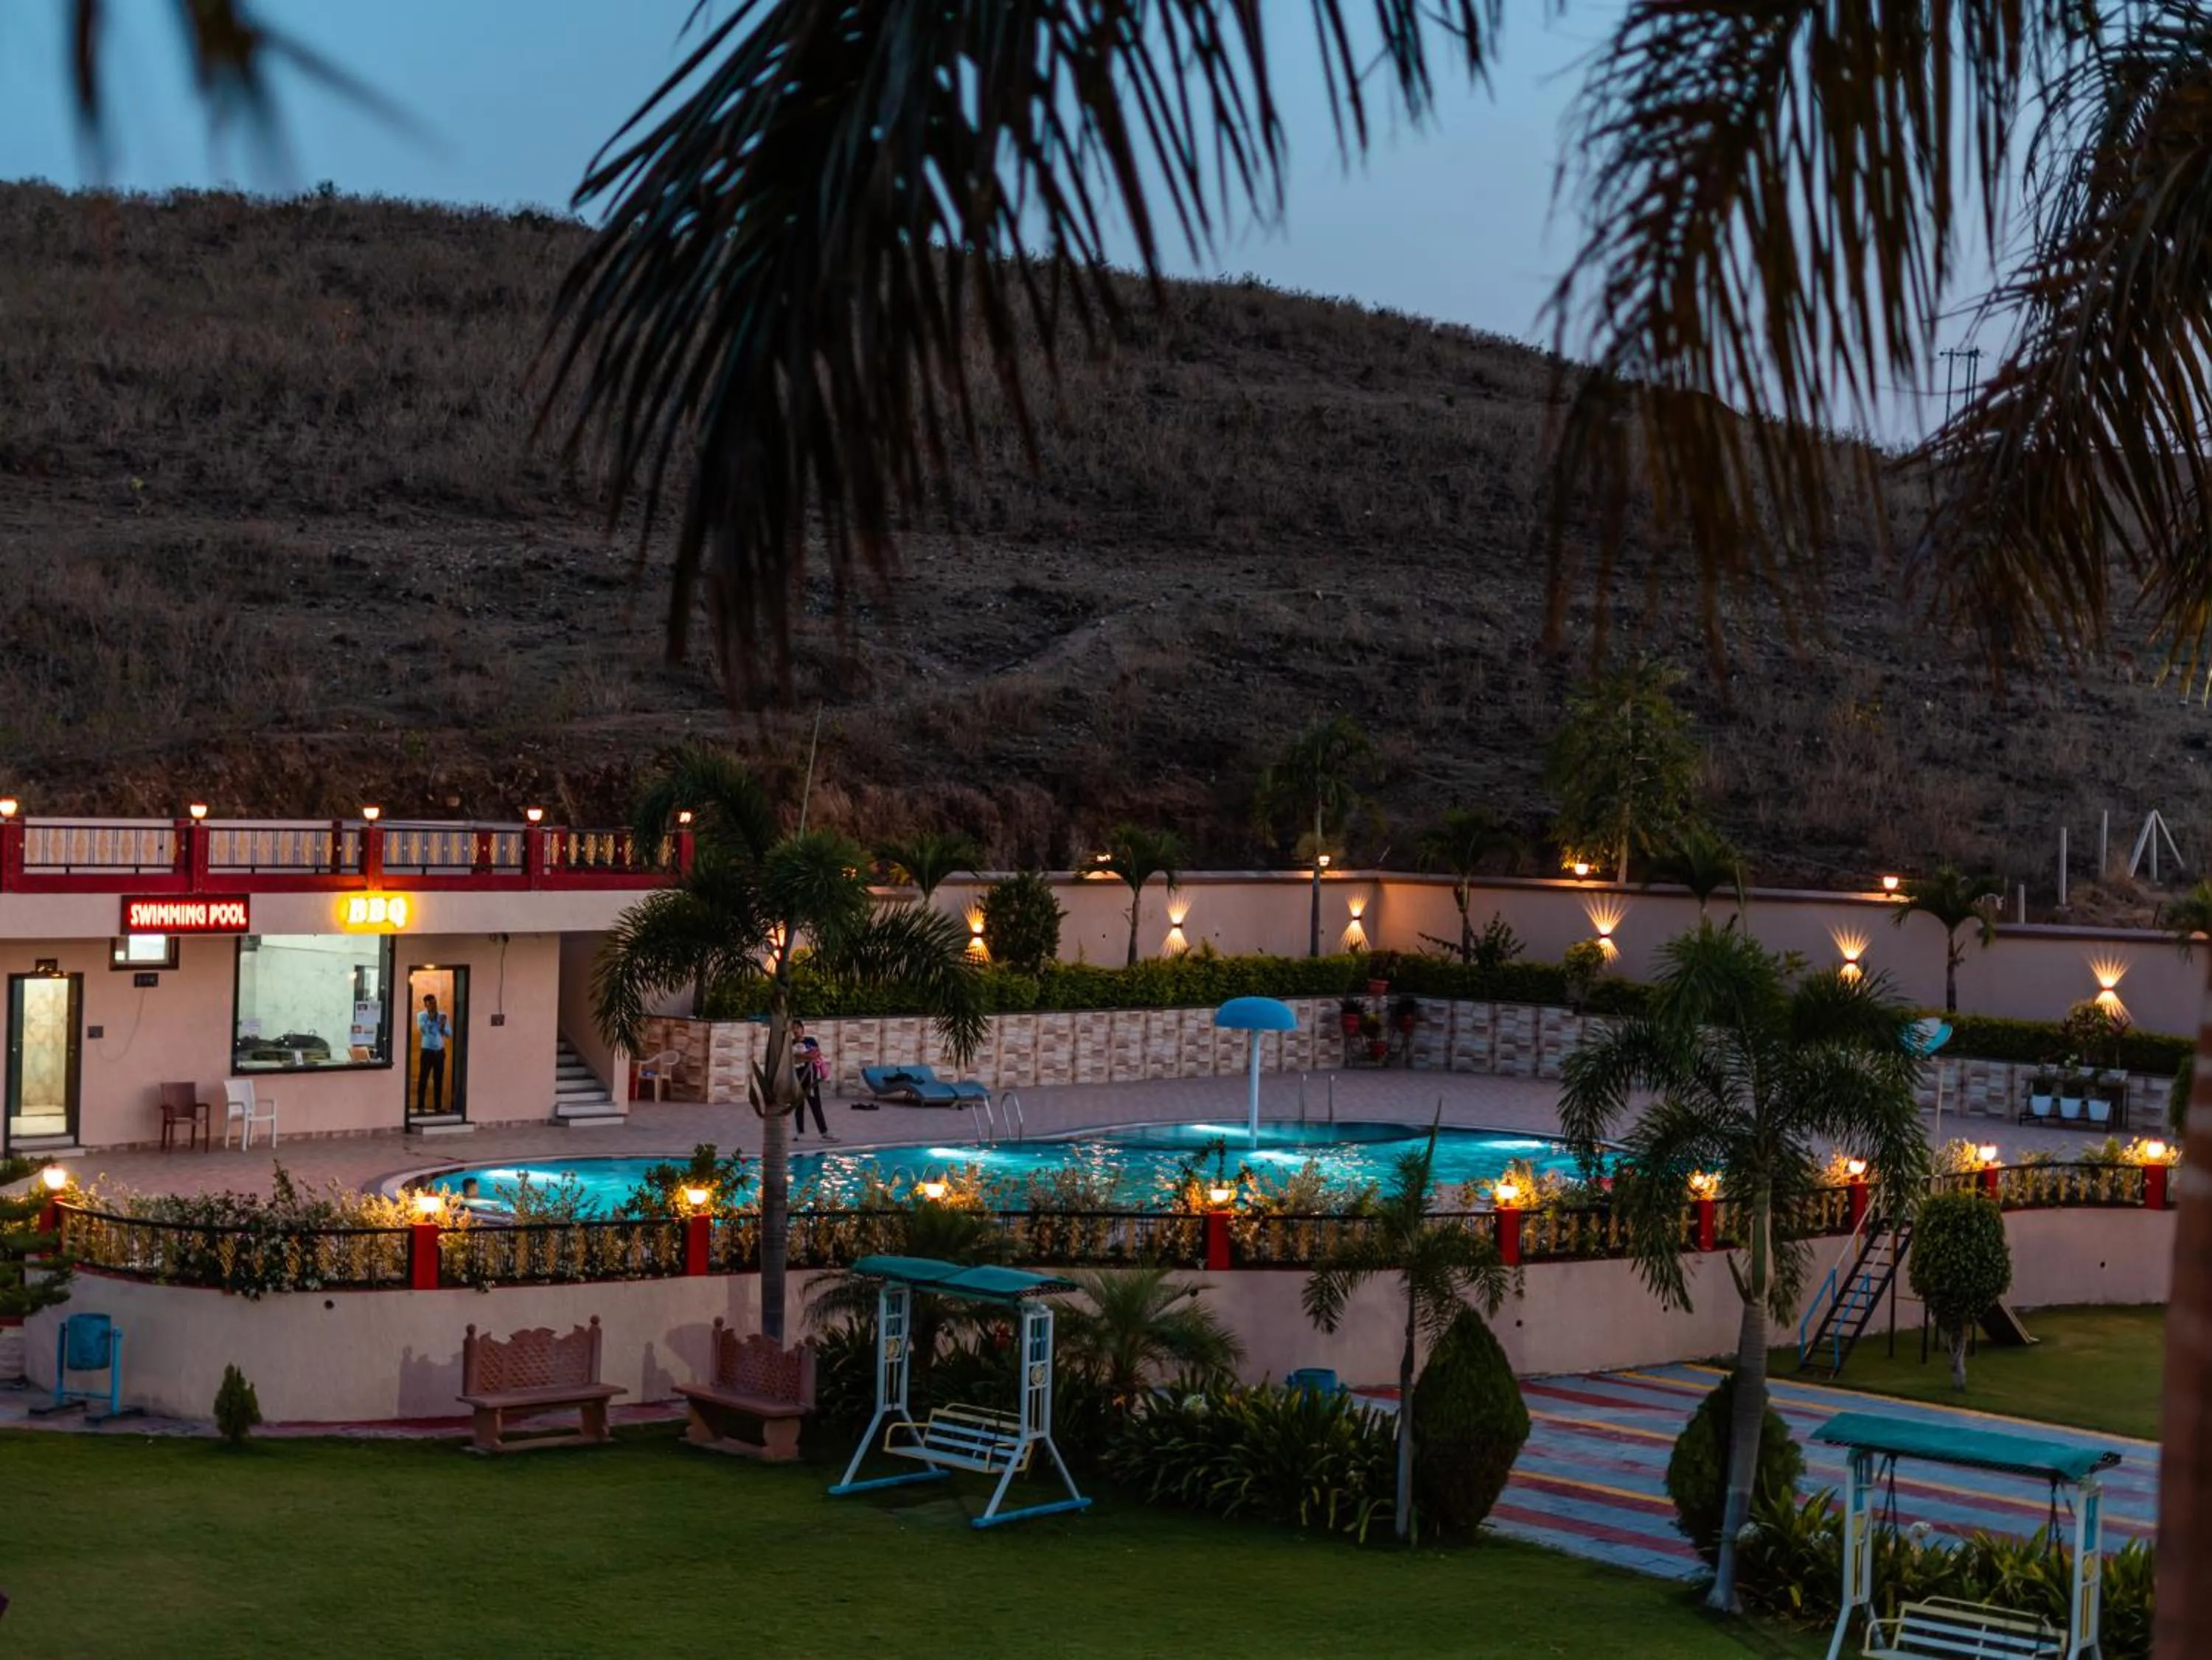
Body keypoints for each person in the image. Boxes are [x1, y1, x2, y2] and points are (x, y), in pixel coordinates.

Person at [790, 1019, 832, 1141]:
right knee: (798, 1105)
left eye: (797, 1027)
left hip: (811, 1077)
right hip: (797, 1078)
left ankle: (824, 1132)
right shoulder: (791, 1044)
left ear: (802, 1029)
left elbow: (815, 1054)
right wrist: (804, 1056)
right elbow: (791, 1058)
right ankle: (800, 1132)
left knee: (816, 1105)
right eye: (793, 1028)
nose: (795, 1030)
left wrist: (799, 1056)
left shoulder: (810, 1041)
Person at [415, 993, 451, 1117]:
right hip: (427, 1051)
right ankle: (420, 1107)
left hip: (439, 1052)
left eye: (435, 1003)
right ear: (425, 1005)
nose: (433, 1005)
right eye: (430, 1003)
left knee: (439, 1079)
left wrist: (442, 1026)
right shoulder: (421, 1016)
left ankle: (438, 1106)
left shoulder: (443, 1016)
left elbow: (449, 1034)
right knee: (423, 1078)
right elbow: (424, 1031)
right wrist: (431, 1020)